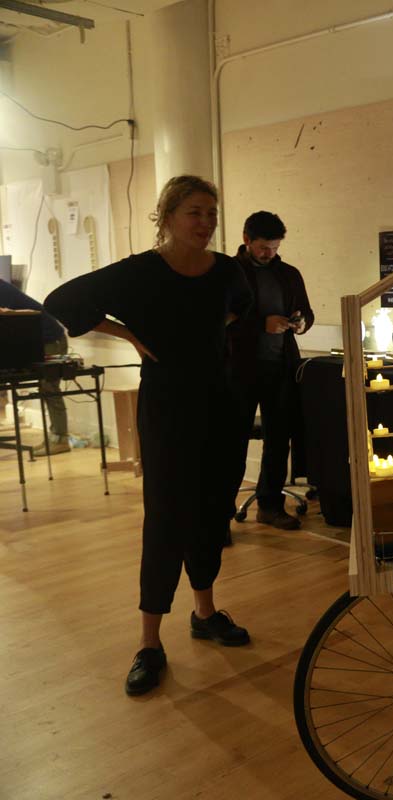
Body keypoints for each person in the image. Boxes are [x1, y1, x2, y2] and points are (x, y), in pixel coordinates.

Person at [45, 175, 254, 697]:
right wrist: (128, 333)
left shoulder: (227, 270)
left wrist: (208, 339)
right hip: (167, 405)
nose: (205, 223)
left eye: (211, 213)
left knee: (211, 509)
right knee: (166, 514)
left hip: (219, 402)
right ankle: (149, 642)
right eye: (194, 213)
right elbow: (61, 301)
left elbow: (240, 307)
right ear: (167, 215)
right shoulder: (139, 273)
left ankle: (205, 613)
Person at [226, 211, 314, 531]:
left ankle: (270, 505)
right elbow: (218, 323)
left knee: (279, 440)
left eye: (275, 247)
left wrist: (302, 322)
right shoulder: (228, 273)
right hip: (239, 369)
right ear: (247, 240)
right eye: (264, 247)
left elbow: (307, 312)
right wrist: (261, 325)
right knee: (232, 443)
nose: (269, 253)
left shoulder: (288, 274)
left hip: (281, 366)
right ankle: (220, 516)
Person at [0, 278, 71, 454]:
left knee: (50, 388)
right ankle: (57, 437)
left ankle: (60, 439)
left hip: (49, 341)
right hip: (35, 341)